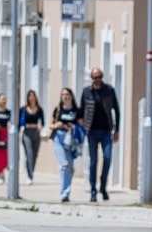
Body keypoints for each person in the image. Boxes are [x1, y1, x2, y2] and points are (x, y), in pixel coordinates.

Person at [79, 67, 120, 202]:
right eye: (95, 77)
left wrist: (117, 130)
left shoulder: (109, 91)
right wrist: (81, 125)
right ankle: (93, 190)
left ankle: (103, 185)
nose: (98, 80)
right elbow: (81, 111)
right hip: (91, 131)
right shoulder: (86, 92)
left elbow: (117, 110)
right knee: (93, 161)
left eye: (100, 77)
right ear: (92, 79)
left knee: (107, 158)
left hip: (106, 130)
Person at [50, 87, 83, 202]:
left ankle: (67, 192)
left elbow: (81, 125)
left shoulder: (76, 111)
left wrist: (72, 127)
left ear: (71, 96)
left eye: (67, 94)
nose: (65, 96)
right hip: (59, 138)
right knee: (64, 164)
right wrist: (57, 125)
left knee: (69, 167)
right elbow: (51, 124)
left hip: (70, 139)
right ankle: (64, 192)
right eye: (63, 94)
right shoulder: (58, 109)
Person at [19, 90, 45, 186]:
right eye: (30, 96)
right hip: (27, 133)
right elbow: (19, 123)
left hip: (36, 133)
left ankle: (31, 172)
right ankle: (30, 176)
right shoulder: (23, 109)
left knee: (34, 155)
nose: (31, 98)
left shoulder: (39, 109)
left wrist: (40, 126)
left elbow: (43, 122)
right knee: (29, 154)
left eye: (33, 96)